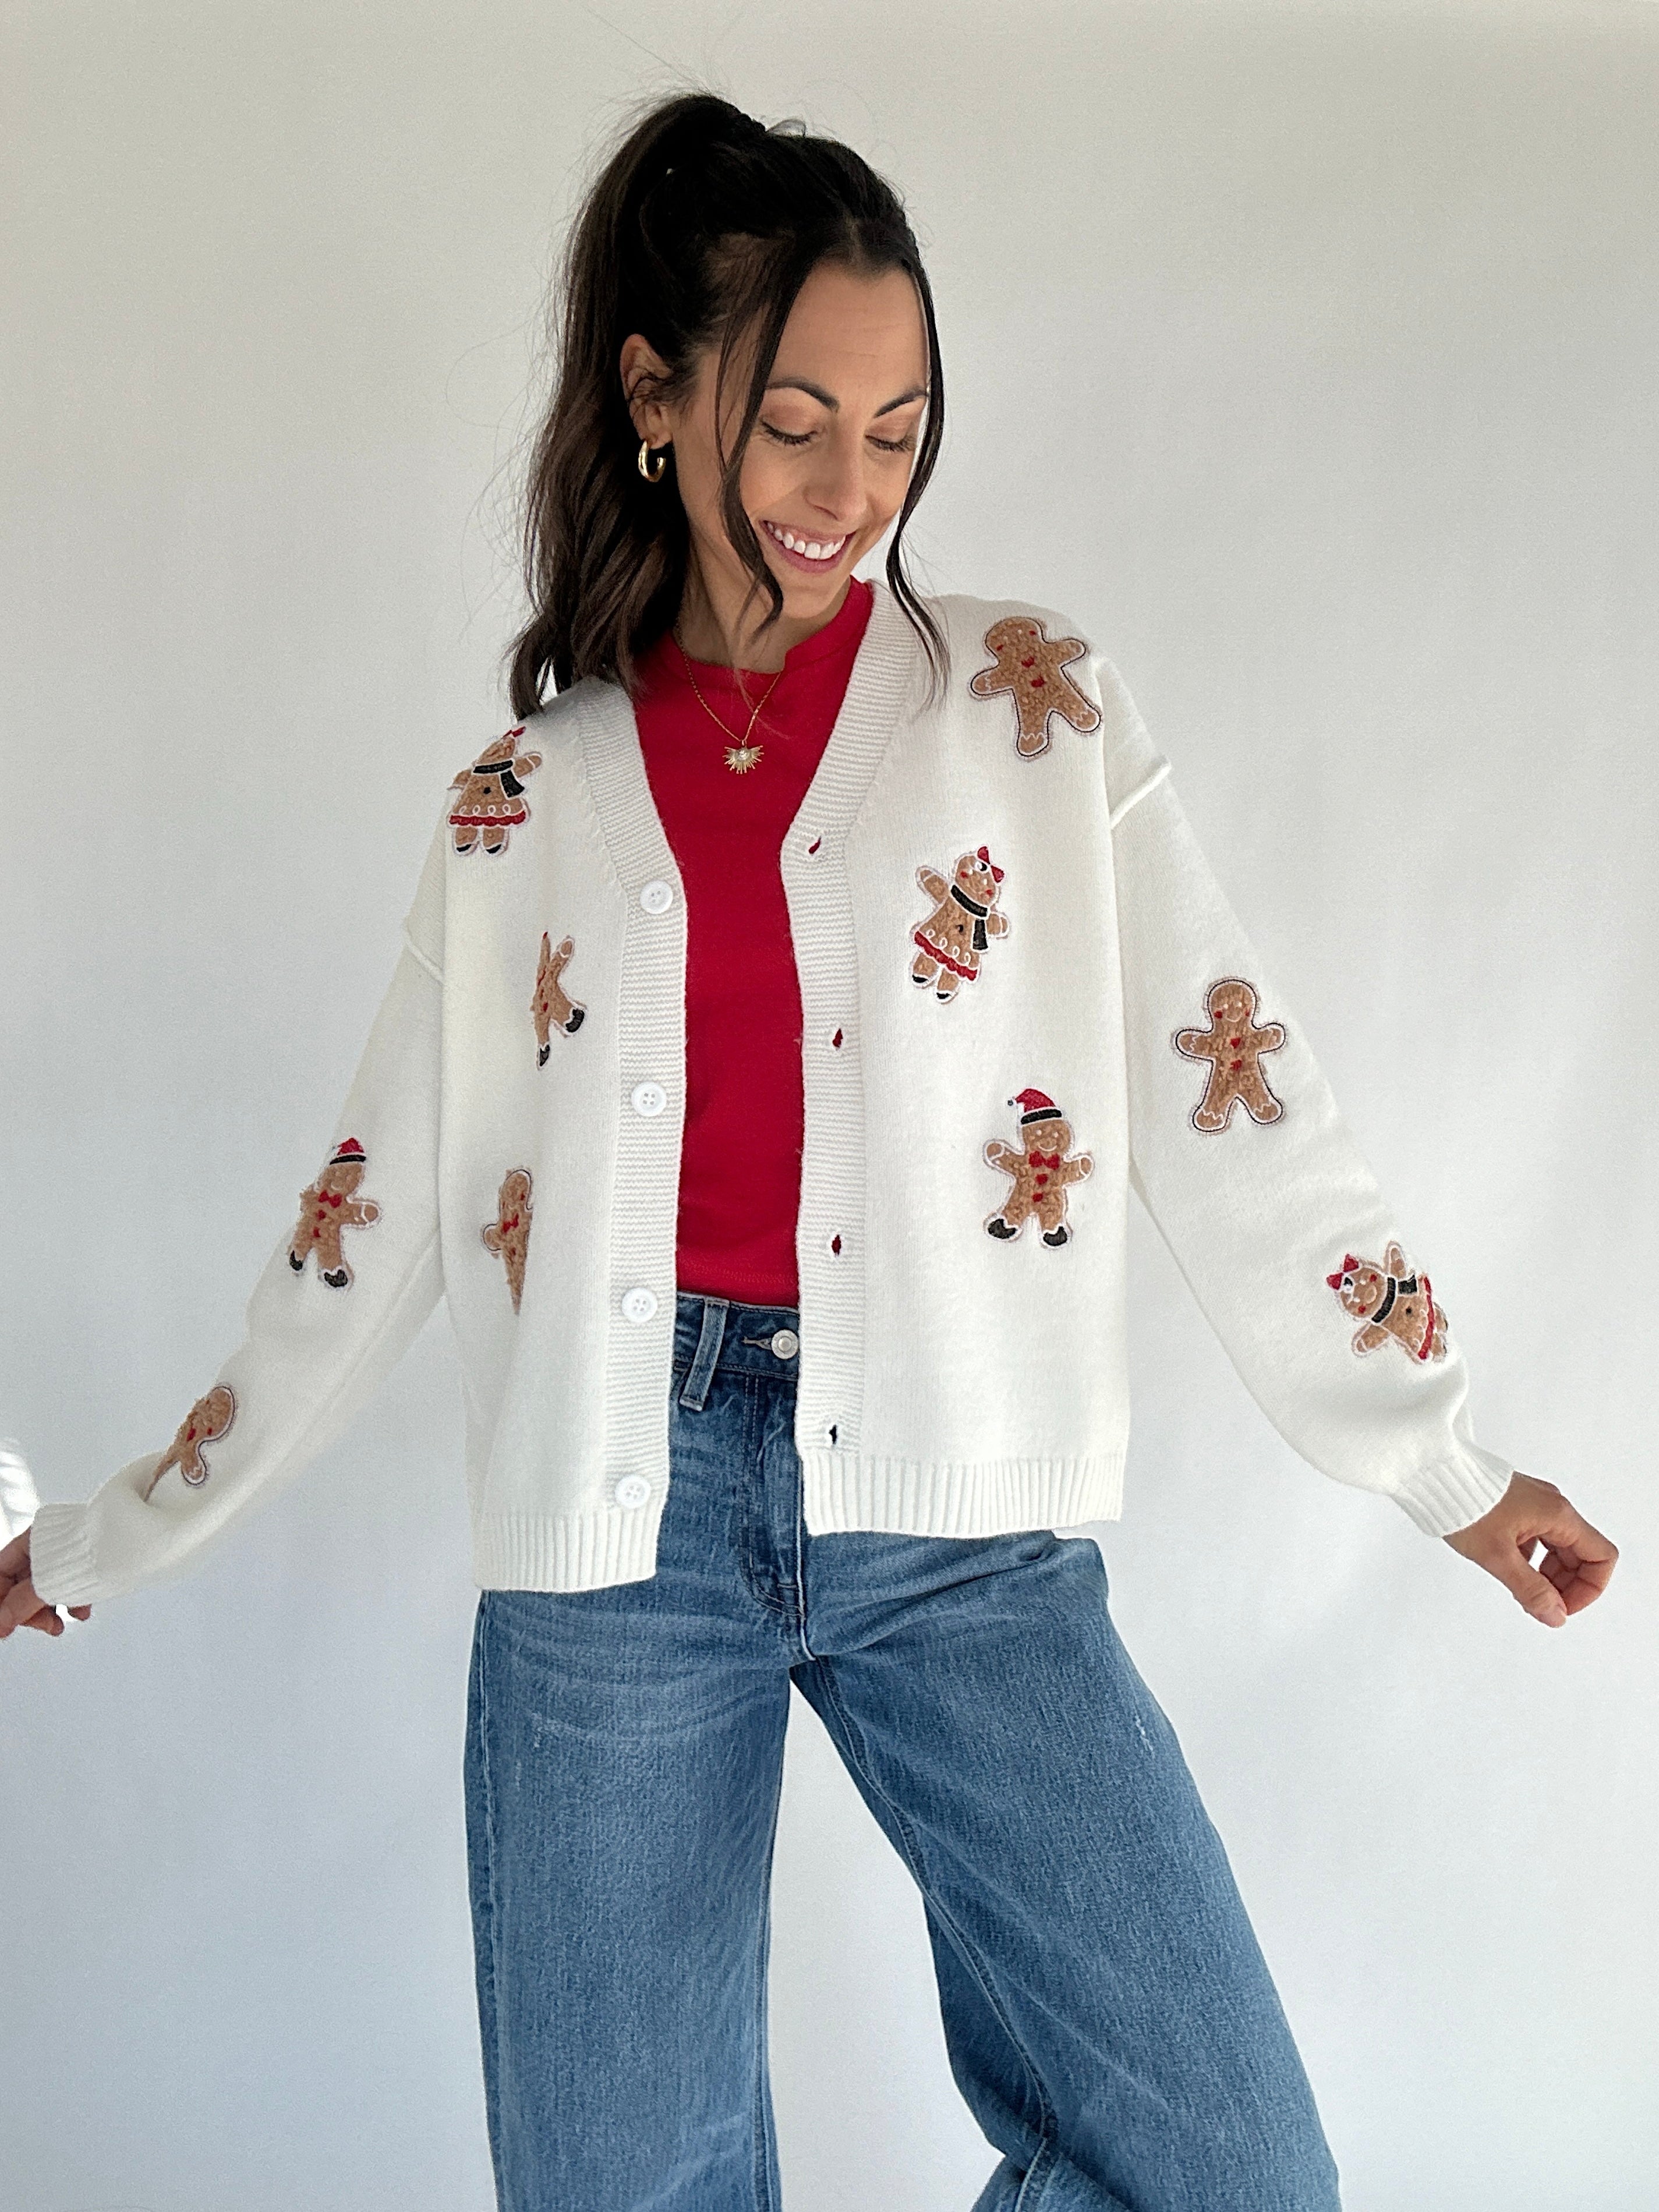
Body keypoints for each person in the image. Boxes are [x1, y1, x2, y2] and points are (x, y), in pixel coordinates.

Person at [2, 89, 1618, 2212]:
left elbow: (1233, 1086)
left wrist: (1438, 1461)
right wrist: (104, 1535)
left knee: (1232, 2174)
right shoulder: (523, 803)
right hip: (616, 1540)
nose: (853, 485)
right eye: (797, 421)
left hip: (962, 1526)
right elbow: (364, 1221)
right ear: (657, 399)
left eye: (901, 423)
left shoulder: (1035, 719)